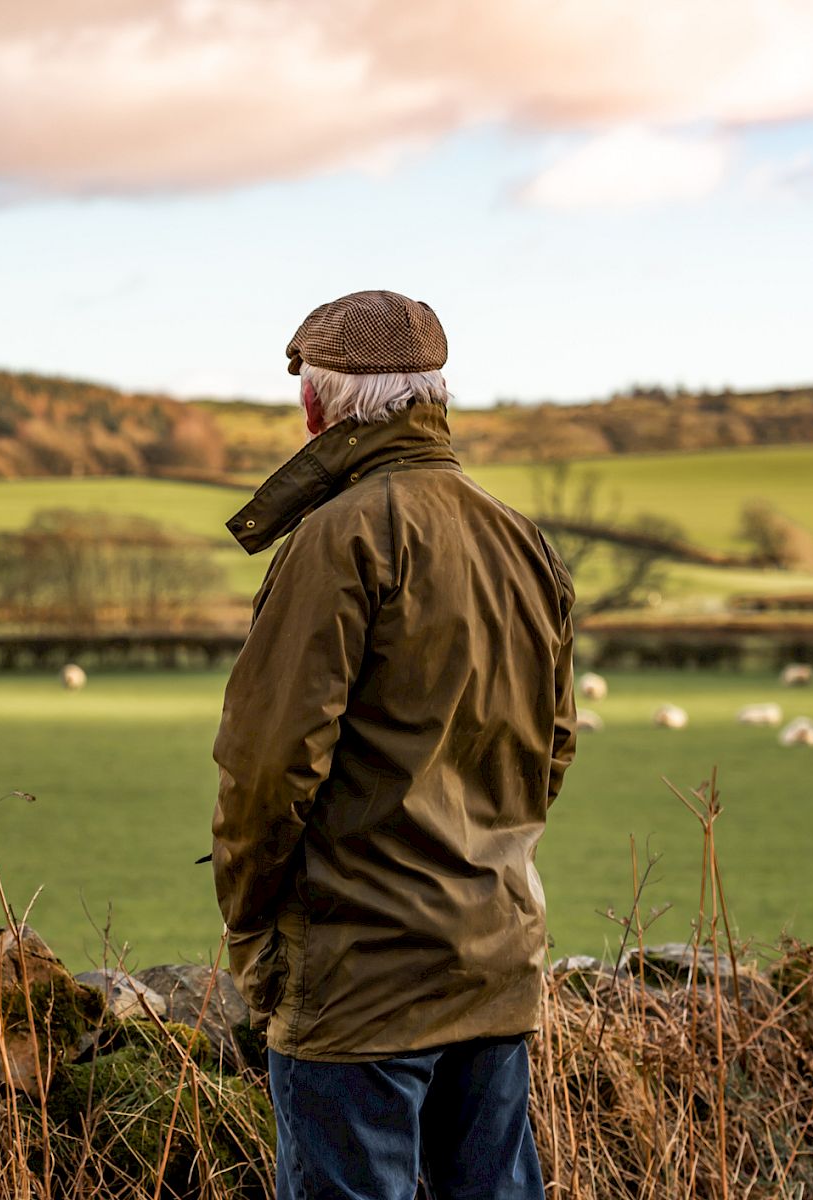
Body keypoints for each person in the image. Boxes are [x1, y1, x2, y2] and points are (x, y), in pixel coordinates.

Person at [211, 290, 577, 1200]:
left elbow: (268, 773)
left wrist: (255, 926)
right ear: (433, 397)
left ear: (315, 407)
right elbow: (551, 748)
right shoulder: (520, 540)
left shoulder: (337, 539)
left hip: (358, 983)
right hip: (493, 963)